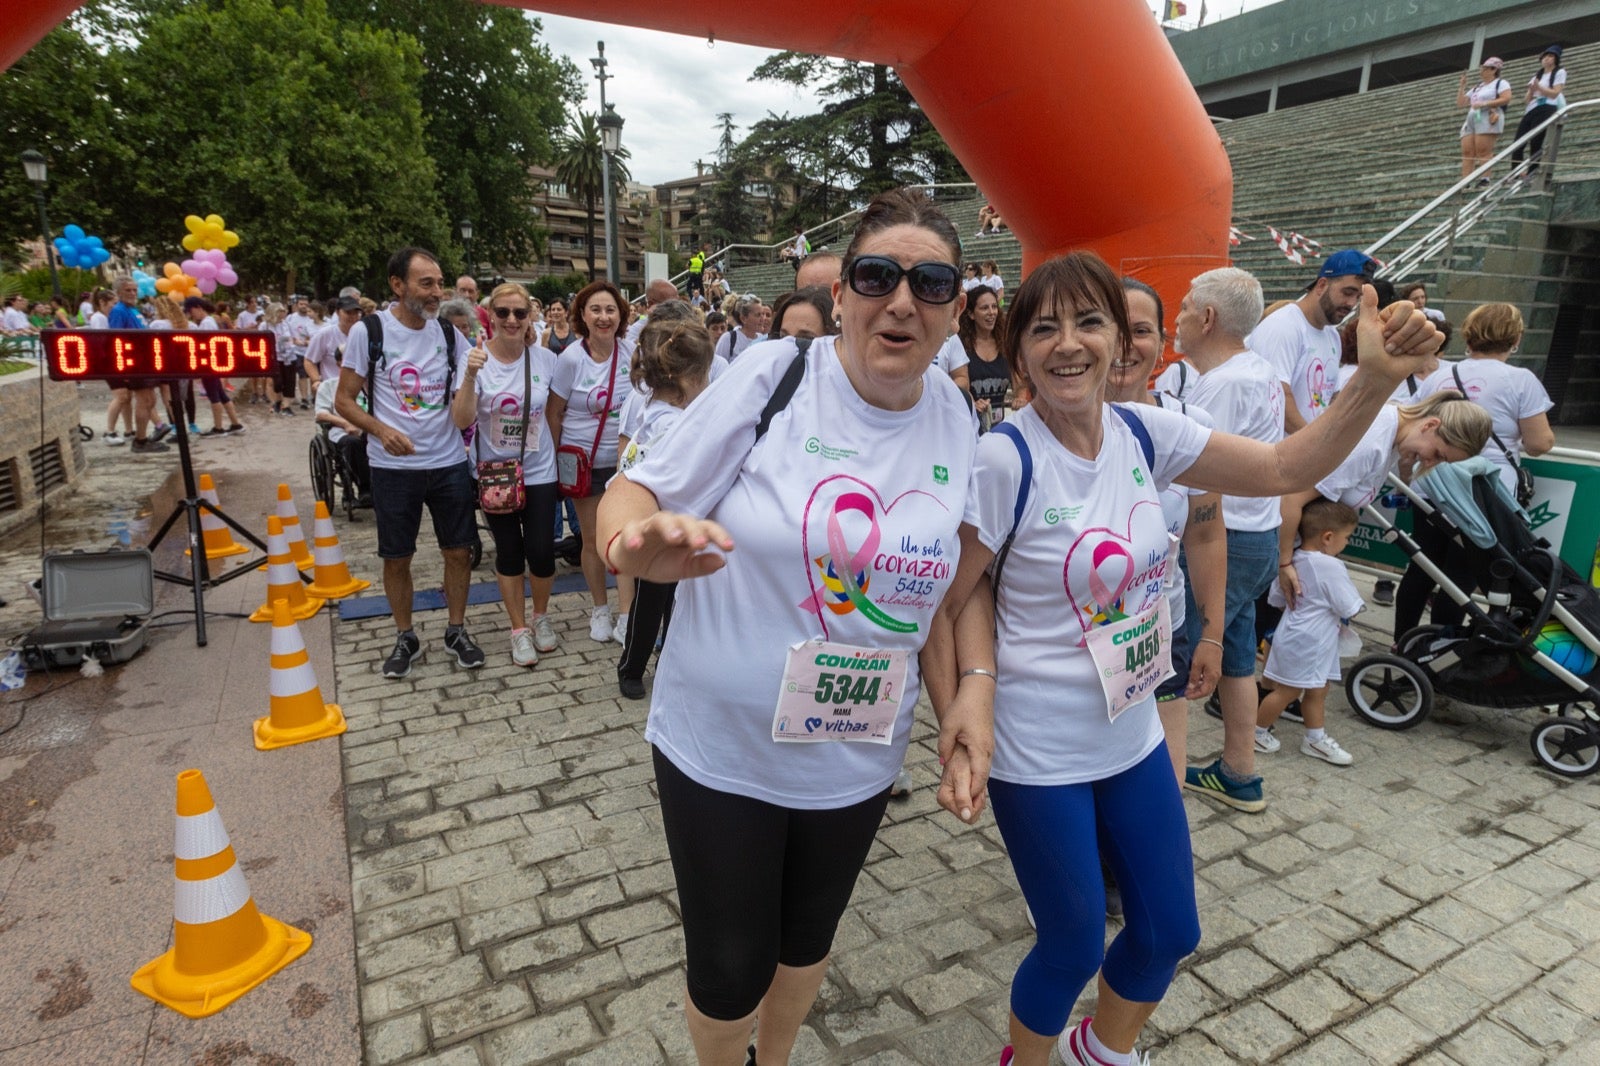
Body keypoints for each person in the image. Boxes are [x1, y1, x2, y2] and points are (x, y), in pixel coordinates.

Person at [932, 250, 1443, 1066]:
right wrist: (965, 704)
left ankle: (1099, 1053)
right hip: (1039, 749)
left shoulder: (1145, 431)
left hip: (1132, 732)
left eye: (1089, 322)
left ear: (1123, 344)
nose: (1069, 344)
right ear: (1019, 349)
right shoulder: (1007, 459)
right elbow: (950, 599)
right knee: (1069, 948)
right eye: (1045, 327)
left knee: (1170, 928)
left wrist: (1374, 379)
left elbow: (1285, 466)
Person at [597, 189, 990, 1066]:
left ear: (955, 309)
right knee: (731, 965)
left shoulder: (957, 419)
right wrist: (632, 544)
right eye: (877, 275)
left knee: (807, 939)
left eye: (929, 283)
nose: (901, 301)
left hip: (857, 749)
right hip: (723, 746)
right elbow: (638, 488)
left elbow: (943, 598)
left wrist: (965, 700)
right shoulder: (775, 374)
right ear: (843, 293)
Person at [335, 246, 487, 679]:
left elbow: (462, 411)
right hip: (392, 467)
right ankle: (405, 634)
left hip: (447, 463)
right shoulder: (370, 332)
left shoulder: (447, 334)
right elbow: (343, 400)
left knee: (459, 551)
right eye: (427, 283)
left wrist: (473, 376)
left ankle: (456, 630)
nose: (437, 292)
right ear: (398, 286)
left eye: (439, 283)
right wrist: (382, 431)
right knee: (396, 556)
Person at [1118, 277, 1226, 782]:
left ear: (1161, 342)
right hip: (1069, 640)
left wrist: (1214, 635)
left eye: (1139, 330)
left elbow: (1205, 536)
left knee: (1164, 783)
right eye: (1106, 325)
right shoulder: (1043, 428)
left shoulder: (1189, 424)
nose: (1122, 344)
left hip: (1163, 629)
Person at [1395, 302, 1555, 638]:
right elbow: (1540, 442)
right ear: (1515, 338)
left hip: (1432, 485)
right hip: (1483, 492)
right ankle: (1445, 647)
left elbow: (1412, 423)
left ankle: (1404, 645)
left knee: (1422, 568)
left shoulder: (1441, 374)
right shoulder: (1521, 380)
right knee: (1462, 576)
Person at [450, 282, 561, 667]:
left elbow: (553, 414)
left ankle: (541, 617)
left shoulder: (545, 359)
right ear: (490, 316)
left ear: (530, 315)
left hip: (539, 468)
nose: (512, 320)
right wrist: (468, 377)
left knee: (543, 552)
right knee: (510, 553)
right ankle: (518, 629)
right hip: (496, 473)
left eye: (519, 313)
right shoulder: (478, 360)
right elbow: (461, 420)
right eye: (503, 313)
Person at [614, 318, 716, 700]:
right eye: (705, 375)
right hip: (659, 526)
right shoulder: (671, 422)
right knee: (651, 603)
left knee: (675, 603)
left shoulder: (661, 410)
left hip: (673, 526)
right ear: (687, 379)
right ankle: (632, 666)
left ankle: (669, 665)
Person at [549, 280, 634, 644]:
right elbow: (555, 414)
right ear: (582, 315)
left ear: (621, 316)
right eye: (596, 310)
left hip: (623, 464)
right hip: (582, 461)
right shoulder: (570, 359)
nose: (604, 317)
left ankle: (627, 614)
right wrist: (554, 463)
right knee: (592, 538)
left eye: (611, 310)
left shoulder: (632, 352)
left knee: (626, 539)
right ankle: (600, 609)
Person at [1255, 499, 1365, 765]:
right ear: (1328, 537)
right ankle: (1255, 732)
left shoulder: (1292, 560)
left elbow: (1277, 599)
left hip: (1300, 635)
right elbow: (1348, 606)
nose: (1347, 543)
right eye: (1346, 537)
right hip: (1311, 640)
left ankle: (1315, 738)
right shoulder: (1331, 566)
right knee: (1289, 691)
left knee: (1318, 689)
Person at [1248, 249, 1375, 432]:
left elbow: (1331, 397)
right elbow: (1276, 396)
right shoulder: (1283, 326)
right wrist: (1314, 448)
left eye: (1358, 297)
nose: (1351, 304)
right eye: (1348, 292)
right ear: (1322, 285)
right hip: (1273, 453)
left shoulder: (1332, 335)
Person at [108, 276, 171, 453]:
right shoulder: (118, 311)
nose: (133, 293)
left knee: (150, 400)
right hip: (134, 363)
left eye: (134, 290)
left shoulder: (134, 310)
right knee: (144, 400)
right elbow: (116, 339)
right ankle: (140, 441)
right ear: (119, 292)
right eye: (128, 290)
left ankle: (143, 437)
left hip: (146, 361)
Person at [184, 297, 245, 436]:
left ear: (198, 307)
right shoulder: (210, 321)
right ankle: (235, 423)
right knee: (222, 395)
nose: (191, 315)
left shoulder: (206, 323)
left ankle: (218, 427)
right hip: (214, 363)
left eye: (191, 311)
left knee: (214, 396)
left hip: (209, 364)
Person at [1511, 45, 1567, 186]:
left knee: (1536, 141)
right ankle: (1516, 172)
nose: (1547, 59)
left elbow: (1555, 93)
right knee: (1518, 142)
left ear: (1556, 59)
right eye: (1545, 56)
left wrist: (1539, 88)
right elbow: (1527, 99)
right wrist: (1532, 90)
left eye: (1551, 56)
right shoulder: (1537, 75)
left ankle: (1532, 172)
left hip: (1547, 106)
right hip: (1532, 108)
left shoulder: (1559, 72)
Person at [960, 284, 1010, 432]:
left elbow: (1020, 381)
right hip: (969, 428)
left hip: (999, 428)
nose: (991, 312)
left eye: (994, 307)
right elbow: (958, 385)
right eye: (984, 308)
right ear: (971, 314)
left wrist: (1020, 397)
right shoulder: (960, 346)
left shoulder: (1006, 344)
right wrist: (972, 402)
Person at [1458, 57, 1513, 181]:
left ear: (1494, 70)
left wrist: (1484, 103)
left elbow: (1506, 98)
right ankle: (1465, 181)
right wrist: (1462, 86)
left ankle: (1485, 178)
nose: (1482, 70)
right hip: (1472, 116)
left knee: (1483, 149)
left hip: (1487, 114)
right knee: (1467, 151)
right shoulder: (1478, 86)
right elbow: (1461, 103)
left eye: (1485, 68)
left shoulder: (1501, 83)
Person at [282, 295, 317, 409]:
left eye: (306, 304)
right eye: (301, 304)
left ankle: (314, 397)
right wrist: (293, 341)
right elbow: (286, 332)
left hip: (311, 351)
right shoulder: (291, 318)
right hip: (297, 351)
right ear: (296, 305)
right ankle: (304, 398)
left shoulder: (311, 318)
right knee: (302, 375)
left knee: (313, 376)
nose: (304, 306)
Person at [715, 294, 766, 361]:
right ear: (743, 318)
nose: (763, 319)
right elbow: (718, 366)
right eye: (758, 315)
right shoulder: (728, 339)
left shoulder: (762, 339)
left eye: (763, 314)